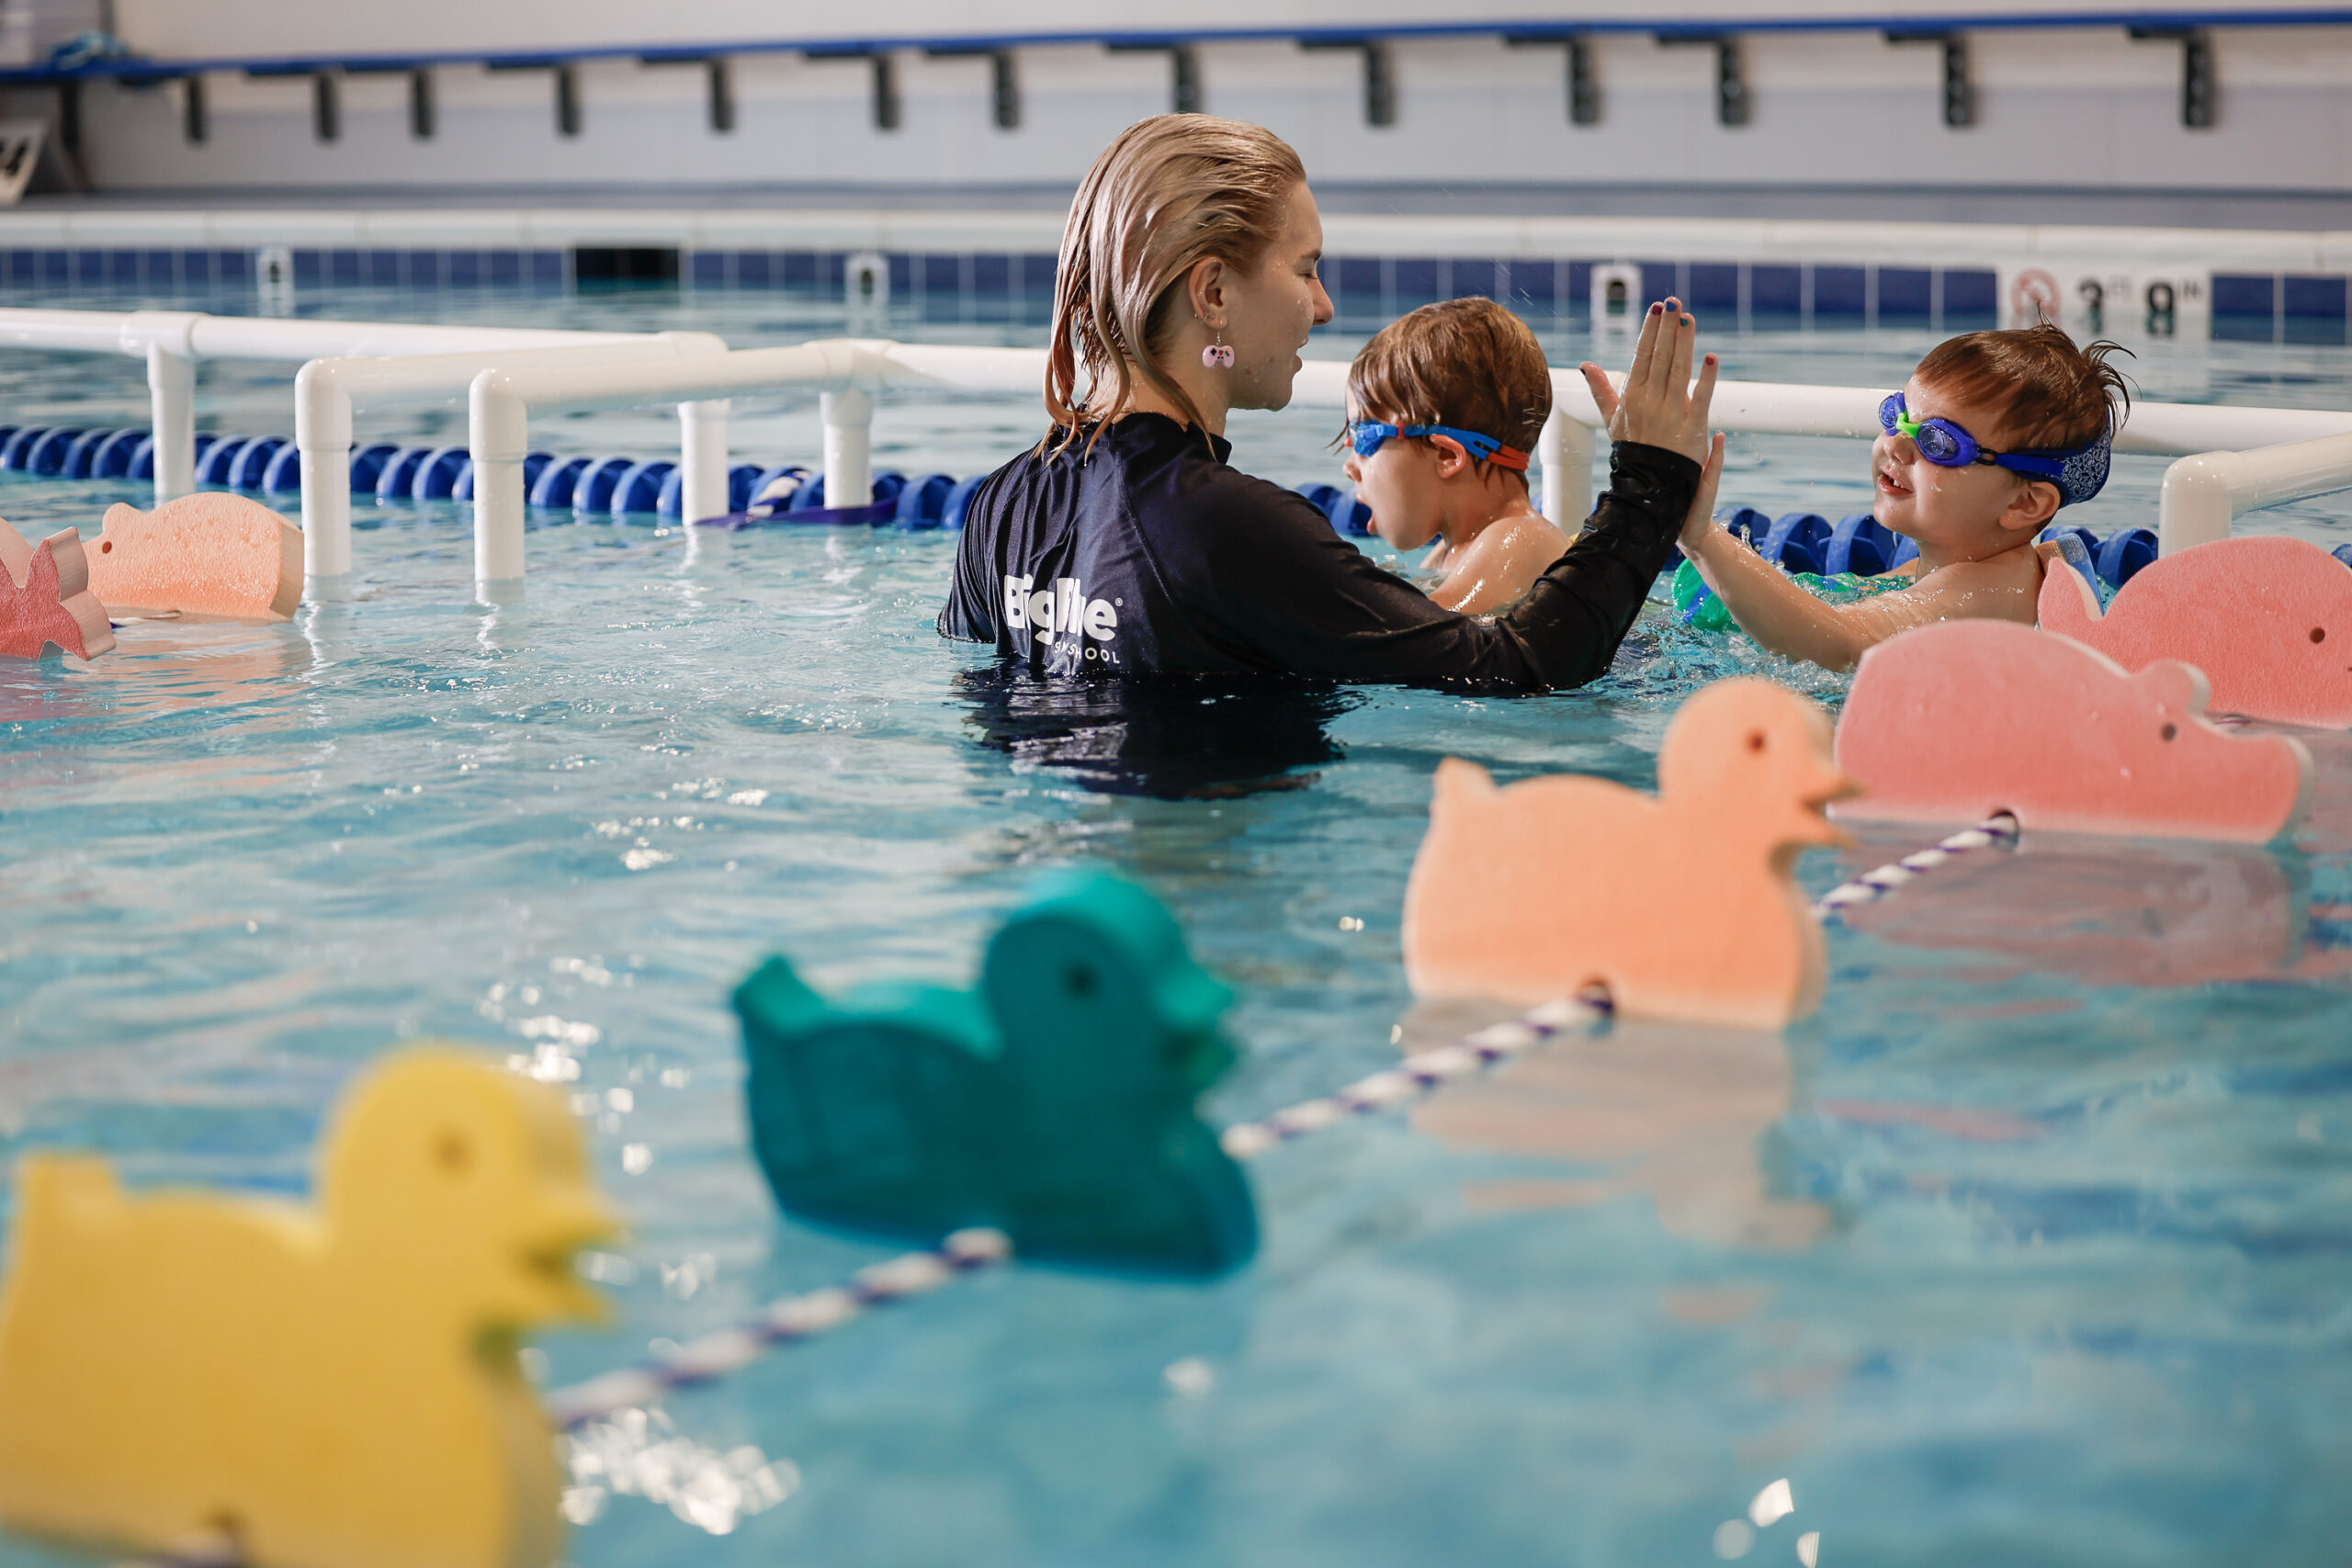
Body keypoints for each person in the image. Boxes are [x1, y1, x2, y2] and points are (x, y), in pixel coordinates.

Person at [938, 113, 1717, 692]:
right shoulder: (1227, 527)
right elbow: (1519, 667)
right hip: (1233, 887)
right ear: (1213, 292)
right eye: (1305, 267)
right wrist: (1650, 487)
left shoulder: (1001, 504)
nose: (1324, 304)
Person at [1672, 323, 2130, 672]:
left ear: (2024, 504)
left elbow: (1843, 647)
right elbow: (1861, 607)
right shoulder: (1959, 567)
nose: (1895, 444)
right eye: (1897, 416)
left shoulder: (1986, 591)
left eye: (1939, 443)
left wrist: (1701, 538)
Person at [1340, 298, 1569, 615]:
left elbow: (1422, 638)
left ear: (1447, 455)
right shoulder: (1448, 553)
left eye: (1365, 439)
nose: (1349, 467)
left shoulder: (1517, 538)